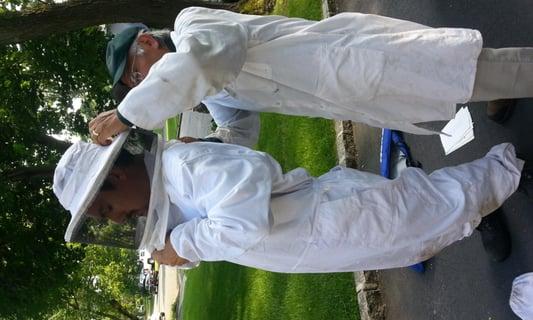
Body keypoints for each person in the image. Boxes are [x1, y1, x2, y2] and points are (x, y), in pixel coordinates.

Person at [53, 131, 532, 272]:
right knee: (422, 233)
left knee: (433, 209)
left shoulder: (186, 167)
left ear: (115, 176)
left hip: (340, 218)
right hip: (328, 239)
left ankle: (512, 169)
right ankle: (488, 197)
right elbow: (197, 236)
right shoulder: (168, 194)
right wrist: (179, 247)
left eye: (106, 210)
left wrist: (185, 243)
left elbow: (240, 222)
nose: (117, 221)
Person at [89, 7, 533, 147]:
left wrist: (127, 117)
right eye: (135, 85)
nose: (143, 83)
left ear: (146, 43)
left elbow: (201, 63)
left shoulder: (191, 29)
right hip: (346, 93)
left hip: (351, 59)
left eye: (135, 75)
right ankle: (496, 92)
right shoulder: (211, 89)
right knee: (443, 88)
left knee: (464, 69)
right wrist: (205, 143)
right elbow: (239, 130)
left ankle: (510, 82)